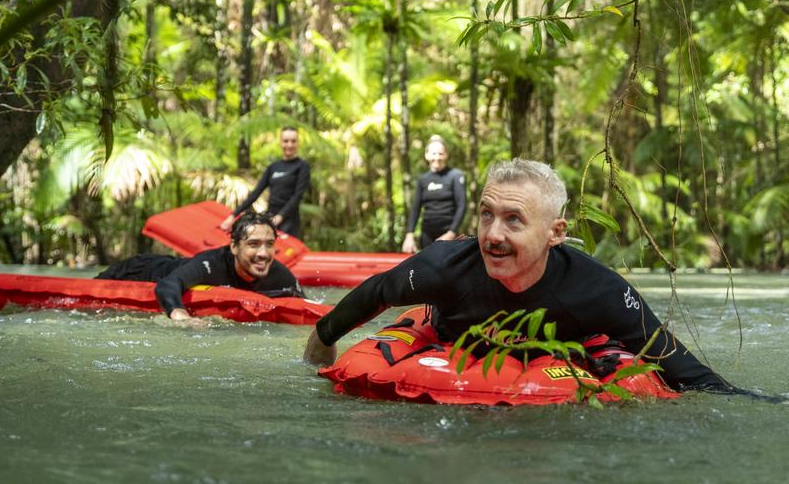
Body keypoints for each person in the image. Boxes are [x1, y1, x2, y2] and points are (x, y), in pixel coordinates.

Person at [304, 158, 742, 394]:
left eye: (514, 220)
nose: (492, 235)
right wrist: (316, 355)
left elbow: (687, 371)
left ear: (555, 233)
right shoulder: (442, 266)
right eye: (486, 215)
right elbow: (368, 298)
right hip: (451, 341)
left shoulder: (599, 290)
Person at [98, 212, 304, 320]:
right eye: (253, 244)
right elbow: (168, 284)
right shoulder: (211, 263)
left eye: (269, 245)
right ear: (233, 246)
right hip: (139, 271)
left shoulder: (280, 275)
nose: (263, 254)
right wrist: (180, 315)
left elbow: (306, 306)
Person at [219, 126, 311, 237]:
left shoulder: (302, 166)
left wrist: (280, 217)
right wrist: (233, 216)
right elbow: (256, 193)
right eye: (286, 141)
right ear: (281, 142)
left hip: (289, 221)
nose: (289, 145)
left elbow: (297, 196)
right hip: (270, 218)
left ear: (298, 143)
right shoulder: (273, 167)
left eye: (293, 141)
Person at [402, 135, 467, 254]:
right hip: (427, 235)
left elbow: (462, 205)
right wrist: (409, 235)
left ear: (446, 155)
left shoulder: (455, 176)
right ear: (427, 155)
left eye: (440, 154)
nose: (437, 157)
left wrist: (451, 233)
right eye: (433, 153)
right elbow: (416, 208)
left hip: (449, 234)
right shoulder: (423, 179)